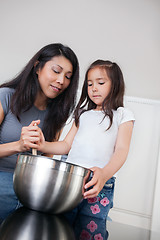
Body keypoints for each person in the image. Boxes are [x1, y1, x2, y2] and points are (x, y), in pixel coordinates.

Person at [32, 59, 135, 238]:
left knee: (91, 229)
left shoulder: (123, 115)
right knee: (61, 225)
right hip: (70, 179)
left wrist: (104, 174)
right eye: (89, 84)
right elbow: (65, 145)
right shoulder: (82, 114)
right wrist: (43, 145)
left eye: (100, 83)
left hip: (99, 183)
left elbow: (121, 150)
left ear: (116, 84)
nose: (94, 88)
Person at [0, 43, 79, 223]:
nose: (61, 80)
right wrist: (19, 146)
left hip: (31, 190)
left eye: (68, 76)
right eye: (56, 71)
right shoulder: (5, 96)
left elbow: (47, 159)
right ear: (37, 67)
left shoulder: (57, 113)